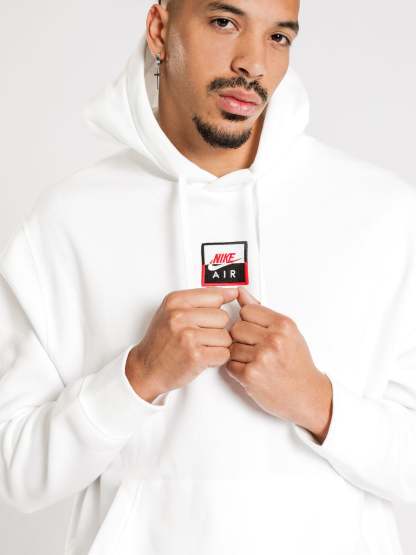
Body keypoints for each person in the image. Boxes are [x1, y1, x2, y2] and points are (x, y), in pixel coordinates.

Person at [1, 0, 415, 554]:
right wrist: (136, 377)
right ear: (160, 28)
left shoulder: (382, 214)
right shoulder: (65, 222)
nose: (253, 63)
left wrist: (317, 401)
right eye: (225, 22)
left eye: (279, 37)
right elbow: (18, 474)